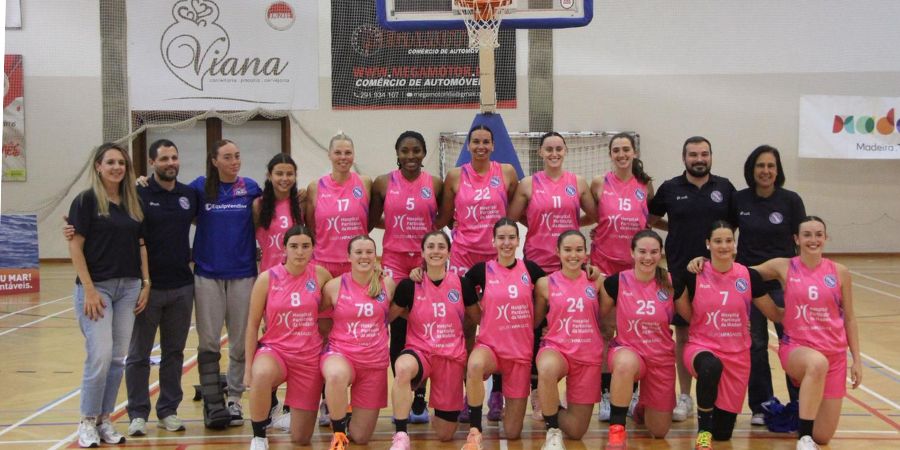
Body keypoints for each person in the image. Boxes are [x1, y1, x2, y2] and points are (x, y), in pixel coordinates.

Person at [751, 216, 862, 450]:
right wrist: (772, 311)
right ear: (797, 239)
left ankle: (805, 425)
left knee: (823, 436)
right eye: (807, 235)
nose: (813, 240)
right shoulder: (784, 266)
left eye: (818, 235)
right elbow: (743, 274)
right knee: (816, 363)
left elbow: (850, 318)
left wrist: (857, 360)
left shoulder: (840, 272)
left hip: (835, 356)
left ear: (826, 238)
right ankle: (804, 437)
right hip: (797, 348)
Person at [507, 131, 595, 421]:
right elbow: (513, 217)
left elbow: (594, 214)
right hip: (537, 262)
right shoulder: (528, 184)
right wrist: (536, 221)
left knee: (569, 324)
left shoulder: (577, 183)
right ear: (540, 153)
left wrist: (574, 225)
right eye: (549, 149)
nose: (554, 153)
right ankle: (537, 390)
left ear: (565, 151)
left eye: (559, 148)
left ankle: (570, 385)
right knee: (536, 326)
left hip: (569, 264)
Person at [648, 136, 735, 422]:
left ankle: (716, 396)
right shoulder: (671, 188)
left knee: (718, 333)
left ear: (711, 156)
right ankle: (685, 396)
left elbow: (733, 226)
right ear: (684, 157)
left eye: (704, 154)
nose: (699, 159)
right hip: (680, 272)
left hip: (717, 275)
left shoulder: (725, 188)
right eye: (693, 154)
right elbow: (650, 218)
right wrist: (674, 226)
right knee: (684, 334)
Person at [67, 143, 149, 448]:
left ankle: (104, 419)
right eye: (111, 162)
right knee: (99, 356)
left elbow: (141, 244)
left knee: (117, 358)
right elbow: (75, 246)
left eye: (121, 163)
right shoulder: (86, 201)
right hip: (97, 289)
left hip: (128, 288)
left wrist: (145, 282)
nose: (117, 167)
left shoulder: (133, 201)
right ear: (98, 167)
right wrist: (88, 289)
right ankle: (87, 420)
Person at [437, 125, 518, 422]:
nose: (481, 146)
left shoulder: (506, 172)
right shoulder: (455, 176)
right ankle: (465, 394)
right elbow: (445, 217)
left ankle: (497, 392)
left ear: (493, 145)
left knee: (499, 324)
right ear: (468, 146)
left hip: (496, 258)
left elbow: (515, 211)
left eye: (486, 142)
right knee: (465, 326)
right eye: (475, 142)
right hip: (463, 257)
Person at [682, 221, 783, 449]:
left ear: (735, 244)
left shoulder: (748, 276)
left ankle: (715, 425)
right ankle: (703, 433)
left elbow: (775, 314)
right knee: (710, 367)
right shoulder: (695, 274)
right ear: (708, 244)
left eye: (728, 240)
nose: (724, 246)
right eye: (718, 241)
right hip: (701, 347)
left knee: (723, 433)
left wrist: (802, 306)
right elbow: (680, 308)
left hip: (737, 356)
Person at [124, 140, 198, 436]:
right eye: (164, 158)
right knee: (139, 354)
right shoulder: (139, 193)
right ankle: (137, 413)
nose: (171, 163)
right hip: (148, 289)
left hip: (182, 287)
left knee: (174, 353)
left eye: (174, 157)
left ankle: (168, 410)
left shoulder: (188, 195)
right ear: (152, 162)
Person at [370, 130, 443, 424]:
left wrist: (430, 250)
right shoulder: (383, 182)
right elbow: (370, 219)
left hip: (425, 262)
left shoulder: (434, 184)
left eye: (416, 150)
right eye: (405, 151)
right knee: (397, 328)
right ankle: (405, 392)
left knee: (423, 328)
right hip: (394, 262)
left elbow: (442, 219)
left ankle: (420, 397)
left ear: (424, 153)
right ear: (397, 154)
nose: (411, 156)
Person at [189, 139, 262, 428]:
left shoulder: (251, 188)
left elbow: (273, 209)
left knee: (240, 341)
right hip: (207, 274)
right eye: (228, 157)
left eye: (237, 156)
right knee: (208, 341)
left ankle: (234, 398)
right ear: (214, 161)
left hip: (243, 274)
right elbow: (178, 204)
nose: (235, 162)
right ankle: (212, 399)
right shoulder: (199, 187)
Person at [732, 145, 806, 423]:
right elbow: (723, 234)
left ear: (778, 170)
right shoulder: (739, 200)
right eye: (760, 166)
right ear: (752, 170)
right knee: (756, 345)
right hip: (749, 285)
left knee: (792, 343)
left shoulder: (791, 200)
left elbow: (802, 242)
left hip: (783, 286)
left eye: (770, 166)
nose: (765, 171)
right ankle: (761, 405)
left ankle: (800, 403)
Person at [459, 218, 546, 450]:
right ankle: (475, 431)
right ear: (493, 241)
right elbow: (460, 286)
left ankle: (511, 408)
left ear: (518, 241)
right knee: (475, 364)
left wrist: (535, 322)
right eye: (501, 238)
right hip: (490, 348)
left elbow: (553, 290)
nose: (506, 243)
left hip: (520, 353)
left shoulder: (531, 269)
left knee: (513, 433)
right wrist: (480, 317)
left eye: (511, 238)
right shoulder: (482, 270)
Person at [599, 230, 691, 449]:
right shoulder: (616, 283)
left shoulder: (672, 283)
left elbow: (692, 319)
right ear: (632, 253)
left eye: (654, 252)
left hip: (660, 357)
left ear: (661, 254)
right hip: (627, 350)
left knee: (659, 431)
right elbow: (596, 316)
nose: (648, 257)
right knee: (624, 364)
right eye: (642, 251)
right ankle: (617, 429)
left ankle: (640, 406)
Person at [244, 225, 333, 450]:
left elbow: (345, 291)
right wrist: (247, 368)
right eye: (294, 246)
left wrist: (376, 273)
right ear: (284, 248)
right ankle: (259, 437)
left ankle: (286, 417)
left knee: (301, 438)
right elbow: (252, 325)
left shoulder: (321, 275)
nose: (300, 252)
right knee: (261, 373)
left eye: (305, 246)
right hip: (276, 351)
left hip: (308, 357)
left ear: (313, 248)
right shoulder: (267, 278)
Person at [388, 231, 480, 449]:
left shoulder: (462, 284)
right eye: (430, 247)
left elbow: (479, 318)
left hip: (451, 357)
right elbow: (386, 316)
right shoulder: (409, 285)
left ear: (449, 252)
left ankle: (434, 407)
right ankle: (401, 434)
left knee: (445, 434)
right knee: (402, 368)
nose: (435, 251)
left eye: (441, 246)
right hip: (420, 352)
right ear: (422, 252)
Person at [588, 132, 654, 421]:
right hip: (603, 266)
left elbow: (649, 220)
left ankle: (632, 391)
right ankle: (606, 393)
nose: (621, 154)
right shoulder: (598, 184)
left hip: (634, 270)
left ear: (634, 152)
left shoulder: (645, 186)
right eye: (616, 150)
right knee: (605, 331)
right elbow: (593, 217)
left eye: (626, 149)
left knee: (633, 331)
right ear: (610, 154)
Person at [320, 235, 398, 449]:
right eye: (359, 252)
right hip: (341, 354)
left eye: (369, 252)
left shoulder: (387, 284)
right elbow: (316, 313)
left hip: (374, 363)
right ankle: (338, 432)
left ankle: (346, 414)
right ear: (349, 256)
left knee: (361, 437)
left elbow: (400, 309)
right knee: (336, 375)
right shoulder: (334, 286)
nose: (364, 256)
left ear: (375, 255)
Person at [533, 230, 604, 450]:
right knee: (547, 368)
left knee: (576, 431)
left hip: (588, 355)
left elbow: (607, 316)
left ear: (586, 253)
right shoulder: (545, 284)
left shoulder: (598, 281)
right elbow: (535, 320)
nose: (573, 255)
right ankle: (552, 431)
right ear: (558, 251)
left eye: (579, 250)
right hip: (557, 348)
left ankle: (547, 404)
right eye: (568, 250)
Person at [305, 132, 371, 277]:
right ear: (329, 155)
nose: (343, 157)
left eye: (348, 153)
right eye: (337, 153)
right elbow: (310, 226)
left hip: (357, 262)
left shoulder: (365, 183)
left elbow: (370, 219)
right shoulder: (315, 187)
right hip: (323, 262)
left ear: (354, 155)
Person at [253, 153, 305, 272]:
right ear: (269, 176)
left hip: (298, 273)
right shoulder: (258, 205)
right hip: (270, 273)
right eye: (279, 174)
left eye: (289, 174)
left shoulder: (302, 202)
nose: (285, 179)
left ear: (295, 176)